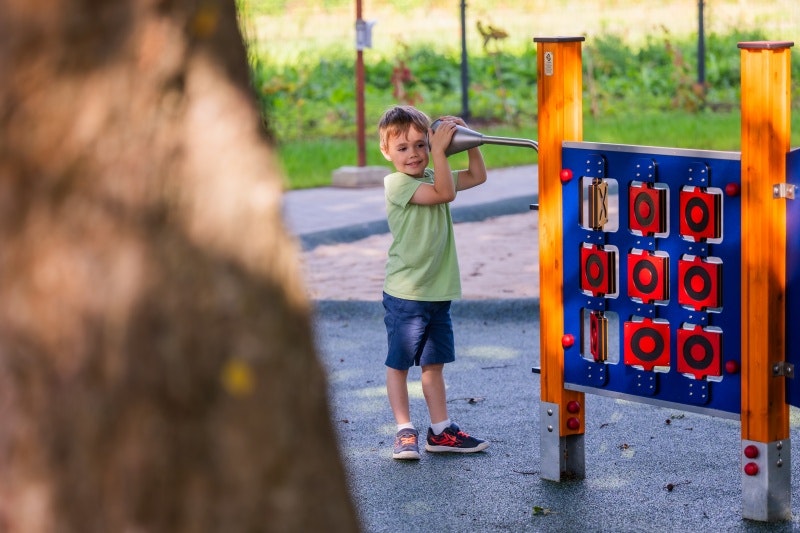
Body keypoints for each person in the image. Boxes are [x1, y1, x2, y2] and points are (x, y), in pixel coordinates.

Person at [377, 105, 490, 460]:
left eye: (421, 145)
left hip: (438, 291)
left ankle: (440, 430)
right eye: (402, 147)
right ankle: (404, 430)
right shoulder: (397, 184)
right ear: (386, 153)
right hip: (406, 294)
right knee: (399, 364)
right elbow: (445, 193)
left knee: (433, 365)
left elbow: (477, 176)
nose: (413, 154)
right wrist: (440, 153)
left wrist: (467, 140)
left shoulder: (433, 174)